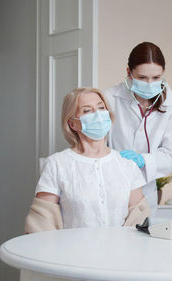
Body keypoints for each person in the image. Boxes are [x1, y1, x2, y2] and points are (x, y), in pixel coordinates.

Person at [25, 88, 150, 232]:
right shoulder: (57, 165)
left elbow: (139, 220)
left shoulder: (127, 166)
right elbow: (42, 224)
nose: (98, 115)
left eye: (101, 108)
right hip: (72, 252)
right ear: (73, 124)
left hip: (119, 252)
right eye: (87, 111)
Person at [103, 42, 172, 212]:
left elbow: (171, 156)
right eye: (142, 78)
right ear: (129, 73)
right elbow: (97, 144)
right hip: (110, 183)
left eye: (156, 78)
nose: (149, 84)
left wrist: (142, 160)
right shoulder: (110, 98)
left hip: (145, 190)